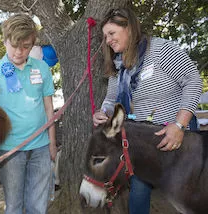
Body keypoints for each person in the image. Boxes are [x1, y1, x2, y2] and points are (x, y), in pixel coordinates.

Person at [92, 7, 202, 214]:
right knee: (139, 191)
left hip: (178, 136)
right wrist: (103, 112)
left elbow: (193, 81)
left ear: (130, 28)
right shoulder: (118, 64)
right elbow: (111, 99)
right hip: (144, 143)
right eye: (105, 36)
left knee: (185, 194)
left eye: (111, 33)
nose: (107, 40)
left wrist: (179, 125)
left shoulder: (161, 50)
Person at [0, 13, 57, 214]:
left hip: (41, 148)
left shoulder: (42, 68)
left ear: (33, 45)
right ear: (5, 41)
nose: (19, 52)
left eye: (26, 46)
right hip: (10, 151)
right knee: (14, 207)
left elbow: (49, 108)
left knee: (38, 207)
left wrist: (52, 143)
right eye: (14, 45)